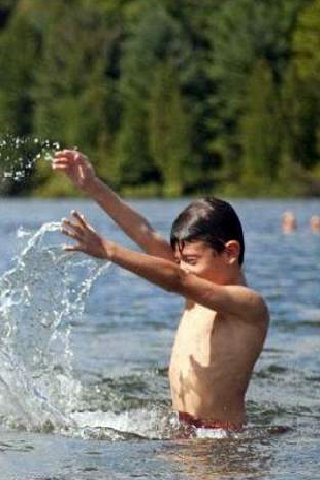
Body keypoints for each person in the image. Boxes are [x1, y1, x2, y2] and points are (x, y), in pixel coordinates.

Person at [52, 150, 269, 432]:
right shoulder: (197, 287)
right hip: (183, 434)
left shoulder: (248, 305)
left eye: (191, 261)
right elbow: (144, 232)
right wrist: (93, 186)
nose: (184, 267)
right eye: (180, 260)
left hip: (221, 444)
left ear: (229, 252)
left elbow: (177, 279)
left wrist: (108, 250)